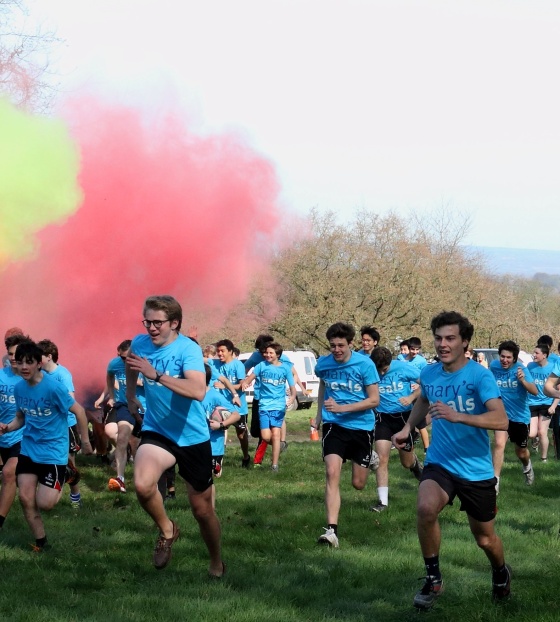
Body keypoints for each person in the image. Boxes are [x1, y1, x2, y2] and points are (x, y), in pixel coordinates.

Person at [392, 311, 510, 610]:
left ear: (464, 342)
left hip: (475, 469)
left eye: (450, 338)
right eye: (438, 338)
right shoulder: (430, 374)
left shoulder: (479, 376)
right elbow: (423, 399)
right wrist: (407, 428)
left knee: (485, 539)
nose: (442, 344)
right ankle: (433, 579)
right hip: (440, 461)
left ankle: (500, 572)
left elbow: (501, 419)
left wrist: (460, 416)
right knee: (425, 507)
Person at [125, 295, 224, 575]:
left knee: (202, 511)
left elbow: (197, 390)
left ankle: (216, 562)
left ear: (175, 322)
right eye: (147, 321)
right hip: (158, 430)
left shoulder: (187, 350)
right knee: (144, 486)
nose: (151, 328)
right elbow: (131, 364)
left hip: (192, 437)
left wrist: (155, 375)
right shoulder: (140, 343)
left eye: (157, 322)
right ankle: (168, 530)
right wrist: (131, 394)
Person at [0, 341, 87, 551]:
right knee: (25, 498)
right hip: (29, 449)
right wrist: (8, 427)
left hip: (53, 452)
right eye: (20, 362)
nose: (23, 367)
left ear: (39, 363)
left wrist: (85, 441)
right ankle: (42, 542)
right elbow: (21, 416)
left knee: (46, 504)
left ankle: (68, 473)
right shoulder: (19, 387)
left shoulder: (53, 387)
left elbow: (80, 412)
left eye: (29, 363)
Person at [313, 322, 380, 548]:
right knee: (332, 472)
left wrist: (342, 408)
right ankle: (332, 531)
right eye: (332, 346)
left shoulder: (365, 364)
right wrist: (319, 414)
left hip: (361, 426)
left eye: (341, 345)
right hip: (334, 425)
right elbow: (323, 384)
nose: (336, 350)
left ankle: (369, 458)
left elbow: (374, 400)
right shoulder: (323, 364)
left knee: (358, 484)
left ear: (351, 344)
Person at [38, 339, 93, 508]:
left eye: (38, 356)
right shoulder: (40, 374)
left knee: (69, 462)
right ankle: (48, 491)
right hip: (47, 425)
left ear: (48, 356)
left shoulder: (63, 375)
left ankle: (75, 495)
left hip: (66, 425)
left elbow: (71, 401)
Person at [369, 347, 423, 513]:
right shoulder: (371, 370)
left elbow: (425, 384)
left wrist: (411, 397)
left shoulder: (404, 367)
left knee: (405, 463)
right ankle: (382, 502)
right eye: (378, 370)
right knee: (382, 458)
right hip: (382, 419)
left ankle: (415, 465)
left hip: (403, 419)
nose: (381, 373)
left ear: (390, 363)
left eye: (384, 370)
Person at [489, 340, 537, 493]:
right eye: (503, 356)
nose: (505, 360)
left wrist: (523, 380)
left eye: (509, 358)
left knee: (521, 452)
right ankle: (495, 483)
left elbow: (535, 391)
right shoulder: (494, 366)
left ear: (514, 359)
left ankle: (527, 466)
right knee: (499, 444)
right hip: (501, 415)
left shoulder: (521, 369)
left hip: (520, 417)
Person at [97, 339, 143, 493]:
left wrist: (139, 382)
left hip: (146, 407)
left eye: (126, 358)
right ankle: (120, 479)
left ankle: (142, 480)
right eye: (121, 357)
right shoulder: (114, 364)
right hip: (125, 405)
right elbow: (109, 377)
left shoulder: (145, 362)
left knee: (138, 445)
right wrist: (111, 395)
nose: (123, 361)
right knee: (122, 437)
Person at [242, 343, 296, 471]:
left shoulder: (285, 369)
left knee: (276, 433)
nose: (267, 355)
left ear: (278, 355)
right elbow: (249, 379)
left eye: (271, 353)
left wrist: (292, 398)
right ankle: (279, 445)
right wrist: (245, 384)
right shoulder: (261, 366)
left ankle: (274, 465)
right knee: (266, 436)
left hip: (278, 405)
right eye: (266, 353)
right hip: (264, 405)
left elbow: (293, 388)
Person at [0, 333, 29, 529]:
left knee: (9, 473)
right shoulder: (1, 375)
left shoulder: (33, 378)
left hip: (23, 436)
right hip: (2, 434)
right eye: (10, 353)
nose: (12, 357)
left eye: (16, 353)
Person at [201, 364, 240, 491]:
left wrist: (221, 424)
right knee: (200, 477)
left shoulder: (215, 396)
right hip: (196, 441)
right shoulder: (189, 396)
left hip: (214, 443)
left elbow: (236, 415)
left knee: (212, 475)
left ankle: (217, 465)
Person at [212, 340, 251, 467]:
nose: (219, 353)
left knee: (241, 434)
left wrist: (225, 387)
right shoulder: (215, 363)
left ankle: (246, 457)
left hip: (238, 407)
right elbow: (203, 360)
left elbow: (242, 385)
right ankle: (217, 461)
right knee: (218, 431)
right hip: (221, 407)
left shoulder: (238, 365)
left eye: (222, 351)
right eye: (218, 351)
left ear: (230, 351)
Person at [527, 344, 555, 461]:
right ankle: (535, 440)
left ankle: (544, 458)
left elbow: (558, 389)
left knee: (542, 432)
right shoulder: (530, 366)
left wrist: (553, 406)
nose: (534, 355)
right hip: (531, 402)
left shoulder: (553, 368)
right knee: (532, 434)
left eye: (537, 353)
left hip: (547, 403)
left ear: (544, 355)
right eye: (534, 353)